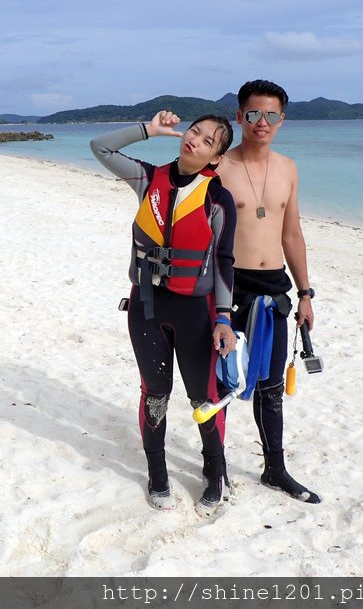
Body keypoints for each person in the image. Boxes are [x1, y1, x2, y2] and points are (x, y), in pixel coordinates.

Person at [91, 110, 238, 516]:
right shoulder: (146, 178)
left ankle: (214, 470)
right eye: (196, 131)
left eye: (210, 140)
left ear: (215, 159)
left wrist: (224, 318)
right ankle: (158, 473)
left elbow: (224, 261)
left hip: (197, 311)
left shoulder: (218, 199)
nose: (197, 139)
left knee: (204, 398)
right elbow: (99, 147)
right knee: (155, 393)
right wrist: (148, 130)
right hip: (147, 306)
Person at [216, 79, 321, 504]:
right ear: (240, 116)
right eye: (254, 114)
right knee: (218, 380)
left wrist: (306, 293)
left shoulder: (288, 168)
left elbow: (292, 232)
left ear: (282, 120)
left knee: (271, 385)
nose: (263, 122)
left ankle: (274, 469)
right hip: (227, 285)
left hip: (274, 286)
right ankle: (214, 463)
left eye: (272, 115)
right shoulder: (218, 167)